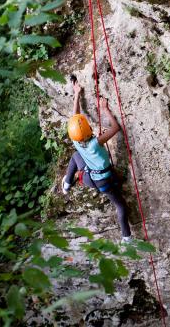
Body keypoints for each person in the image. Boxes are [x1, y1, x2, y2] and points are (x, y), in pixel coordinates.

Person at [61, 75, 132, 242]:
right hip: (107, 178)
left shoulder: (77, 142)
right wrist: (105, 108)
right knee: (120, 205)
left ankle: (67, 183)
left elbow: (75, 117)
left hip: (91, 179)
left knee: (75, 156)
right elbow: (116, 128)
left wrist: (77, 93)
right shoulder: (95, 142)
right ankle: (126, 238)